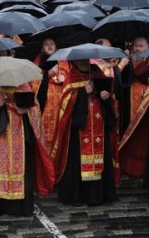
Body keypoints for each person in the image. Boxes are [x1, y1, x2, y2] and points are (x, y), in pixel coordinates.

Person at [0, 81, 53, 216]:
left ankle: (20, 207)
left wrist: (26, 111)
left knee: (21, 169)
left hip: (20, 133)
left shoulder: (24, 87)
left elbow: (35, 108)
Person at [51, 59, 122, 206]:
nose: (82, 62)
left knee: (101, 157)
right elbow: (66, 102)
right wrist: (83, 92)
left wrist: (105, 97)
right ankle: (78, 196)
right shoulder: (72, 77)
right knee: (77, 161)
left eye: (85, 59)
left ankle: (98, 196)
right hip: (79, 128)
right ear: (75, 61)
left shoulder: (98, 73)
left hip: (99, 123)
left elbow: (111, 97)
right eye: (80, 60)